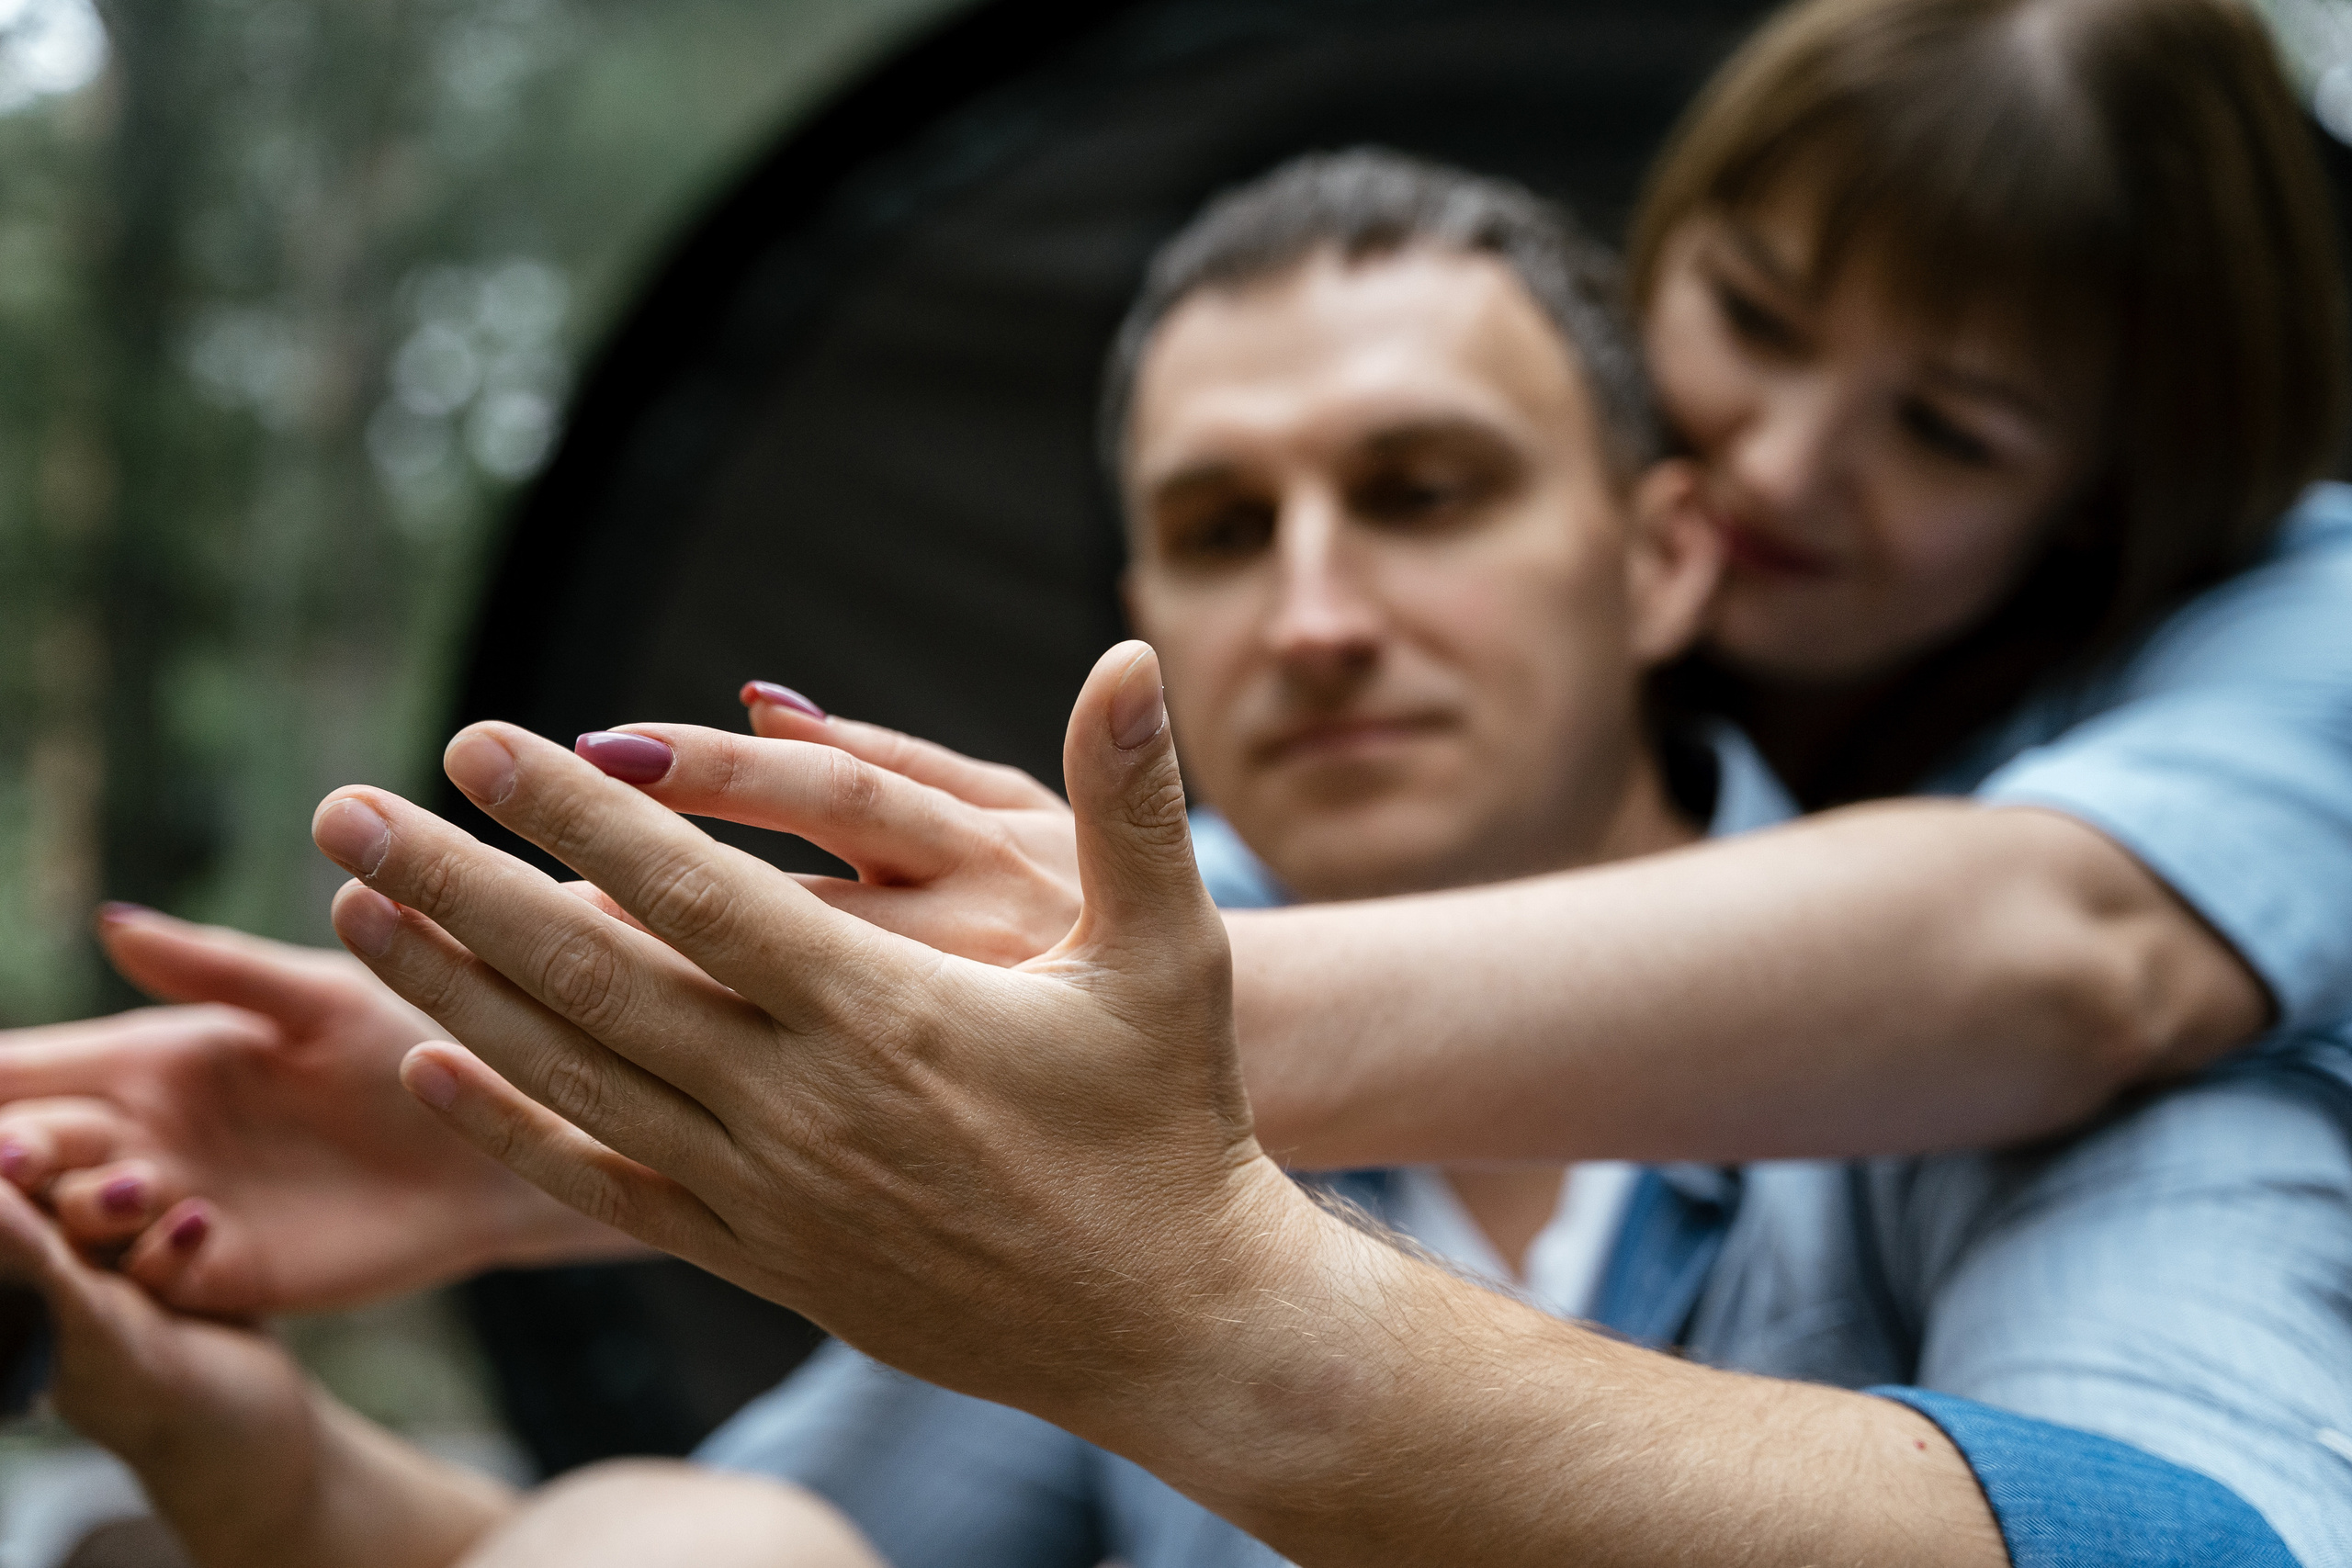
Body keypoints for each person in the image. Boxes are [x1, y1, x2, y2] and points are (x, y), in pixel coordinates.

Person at [9, 151, 2346, 1567]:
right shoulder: (1073, 1094)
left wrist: (1205, 1319)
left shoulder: (2027, 1041)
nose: (1312, 610)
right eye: (1217, 528)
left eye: (1423, 490)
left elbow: (2215, 1535)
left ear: (1661, 557)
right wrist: (249, 1452)